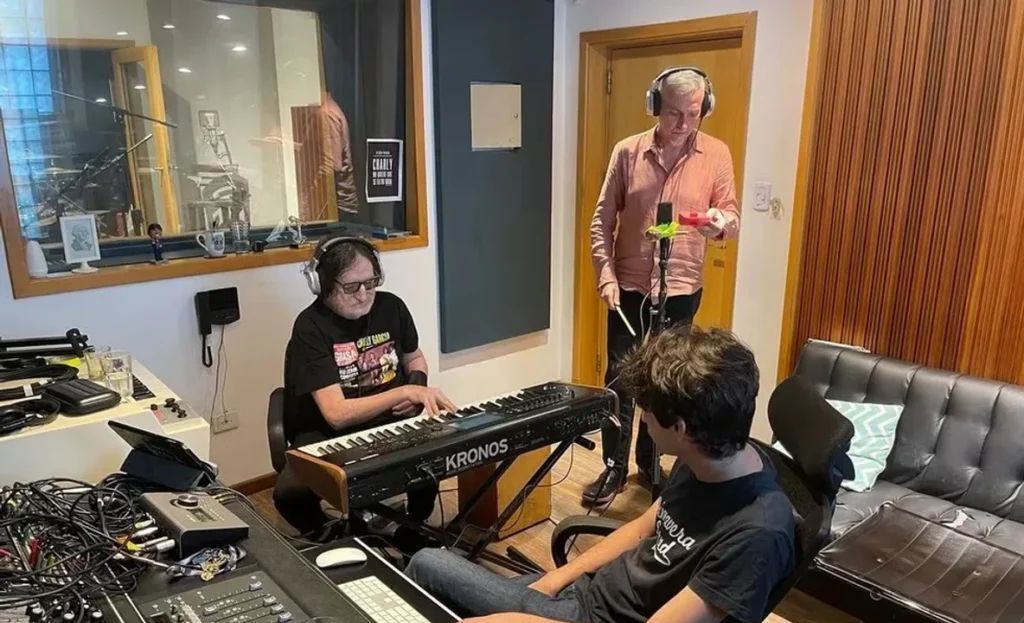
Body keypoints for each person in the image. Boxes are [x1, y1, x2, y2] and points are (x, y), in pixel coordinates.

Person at [406, 326, 795, 623]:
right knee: (427, 565)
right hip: (583, 594)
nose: (643, 420)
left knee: (427, 570)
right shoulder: (710, 455)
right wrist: (556, 579)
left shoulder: (758, 535)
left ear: (679, 428)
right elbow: (643, 527)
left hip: (589, 618)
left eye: (646, 413)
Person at [586, 66, 741, 504]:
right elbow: (602, 220)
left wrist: (719, 224)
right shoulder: (627, 152)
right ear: (655, 105)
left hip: (681, 289)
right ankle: (614, 467)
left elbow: (731, 216)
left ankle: (650, 465)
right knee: (620, 381)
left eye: (694, 113)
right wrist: (605, 274)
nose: (684, 123)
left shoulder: (717, 154)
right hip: (629, 289)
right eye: (673, 113)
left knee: (667, 383)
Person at [273, 236, 456, 539]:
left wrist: (416, 384)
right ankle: (340, 538)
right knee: (291, 495)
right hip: (328, 434)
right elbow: (336, 414)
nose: (363, 295)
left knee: (429, 464)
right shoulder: (310, 327)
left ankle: (411, 529)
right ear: (322, 284)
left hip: (391, 423)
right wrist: (403, 392)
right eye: (351, 287)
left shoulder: (392, 307)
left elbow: (414, 357)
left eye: (370, 283)